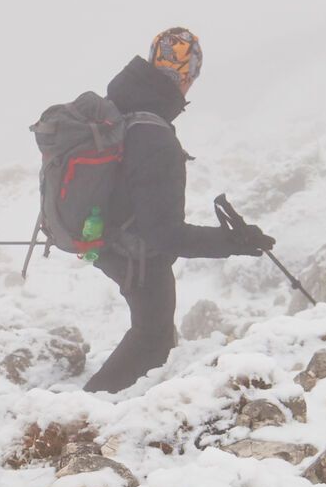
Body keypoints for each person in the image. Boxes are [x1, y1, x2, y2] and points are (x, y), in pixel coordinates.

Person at [83, 29, 273, 394]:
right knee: (152, 338)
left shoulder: (122, 106)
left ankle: (107, 412)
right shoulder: (154, 137)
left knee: (154, 335)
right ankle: (84, 417)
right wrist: (232, 241)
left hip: (107, 240)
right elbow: (165, 235)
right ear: (187, 79)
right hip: (135, 254)